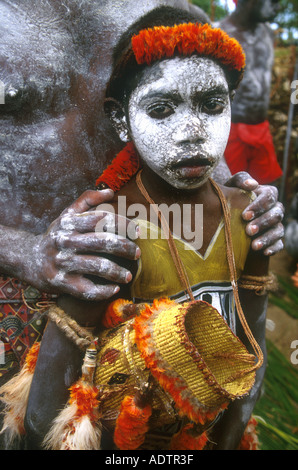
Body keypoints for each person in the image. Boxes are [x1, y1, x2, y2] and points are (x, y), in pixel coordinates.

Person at [8, 6, 277, 451]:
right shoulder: (113, 229)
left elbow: (252, 341)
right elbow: (47, 405)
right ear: (121, 120)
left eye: (212, 105)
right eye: (161, 108)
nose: (192, 131)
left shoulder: (248, 213)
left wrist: (229, 439)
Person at [220, 0, 283, 184]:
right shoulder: (219, 33)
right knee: (232, 191)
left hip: (260, 128)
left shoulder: (268, 34)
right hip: (229, 131)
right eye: (273, 2)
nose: (277, 8)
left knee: (266, 189)